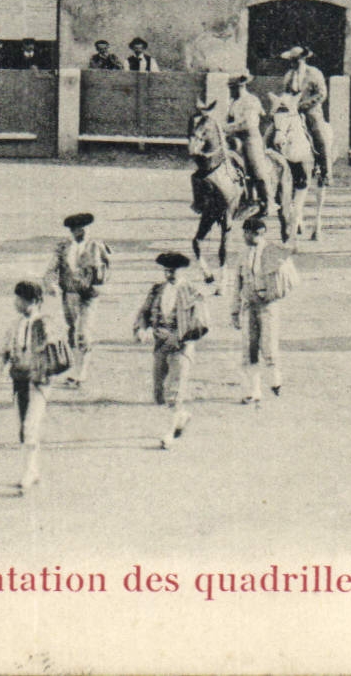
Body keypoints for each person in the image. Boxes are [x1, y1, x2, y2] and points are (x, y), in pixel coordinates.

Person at [0, 280, 66, 492]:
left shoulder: (46, 323)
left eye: (21, 299)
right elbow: (4, 350)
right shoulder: (15, 325)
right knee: (23, 426)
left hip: (39, 382)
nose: (16, 303)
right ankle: (32, 469)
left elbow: (57, 349)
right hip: (19, 380)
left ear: (33, 301)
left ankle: (28, 472)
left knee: (30, 426)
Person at [132, 252, 211, 448]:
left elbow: (201, 323)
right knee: (159, 393)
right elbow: (144, 312)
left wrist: (180, 337)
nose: (169, 275)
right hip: (160, 346)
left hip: (182, 347)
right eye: (166, 271)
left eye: (173, 271)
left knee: (174, 392)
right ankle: (181, 417)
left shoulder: (192, 292)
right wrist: (141, 328)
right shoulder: (157, 290)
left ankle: (168, 434)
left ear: (182, 271)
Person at [232, 217, 297, 404]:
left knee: (269, 346)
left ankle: (276, 381)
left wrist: (273, 293)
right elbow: (237, 285)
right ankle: (253, 390)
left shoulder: (273, 252)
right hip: (249, 305)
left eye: (247, 233)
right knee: (249, 349)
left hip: (268, 306)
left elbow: (289, 279)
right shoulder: (243, 254)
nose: (244, 236)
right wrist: (234, 311)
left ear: (257, 234)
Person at [43, 212, 111, 388]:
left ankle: (80, 374)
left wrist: (99, 285)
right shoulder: (63, 247)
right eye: (77, 230)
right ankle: (75, 371)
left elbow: (106, 270)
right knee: (73, 331)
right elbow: (51, 269)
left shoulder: (97, 246)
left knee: (83, 333)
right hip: (69, 295)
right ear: (72, 231)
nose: (81, 232)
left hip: (89, 296)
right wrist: (51, 285)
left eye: (84, 229)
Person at [281, 45, 331, 185]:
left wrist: (303, 105)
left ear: (303, 59)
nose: (293, 63)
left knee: (318, 134)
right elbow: (285, 93)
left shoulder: (314, 73)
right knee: (274, 130)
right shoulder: (289, 75)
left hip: (310, 110)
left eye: (295, 60)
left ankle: (325, 171)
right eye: (291, 60)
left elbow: (321, 94)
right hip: (291, 110)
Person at [222, 73, 271, 211]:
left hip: (250, 137)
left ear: (241, 87)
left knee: (256, 168)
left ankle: (267, 200)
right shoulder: (232, 102)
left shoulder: (251, 101)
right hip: (234, 138)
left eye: (232, 88)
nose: (230, 91)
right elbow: (228, 119)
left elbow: (248, 123)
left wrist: (227, 128)